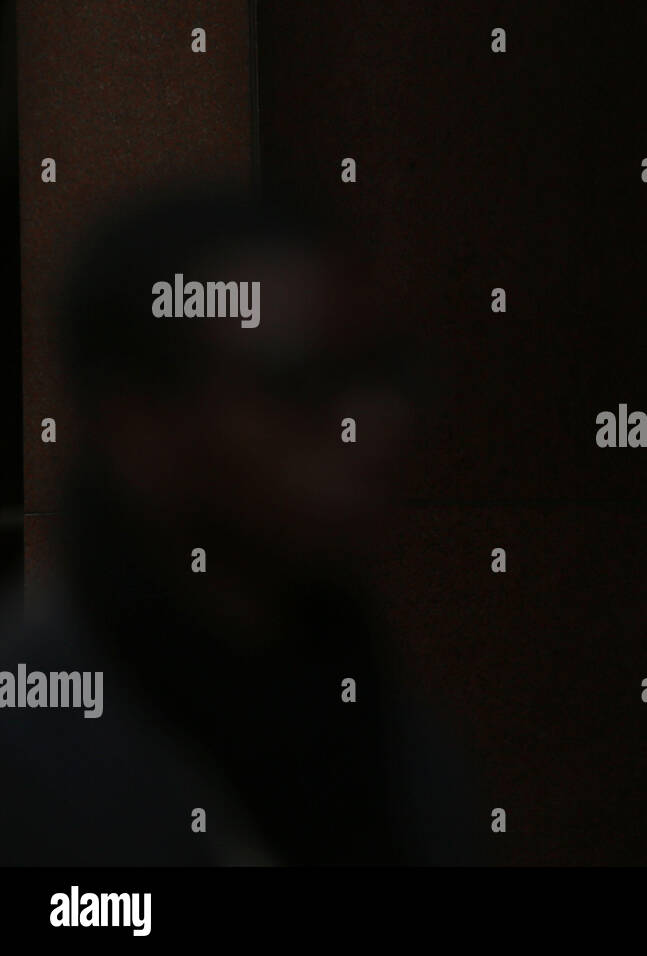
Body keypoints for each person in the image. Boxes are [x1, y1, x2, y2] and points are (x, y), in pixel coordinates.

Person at [0, 180, 485, 865]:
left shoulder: (408, 747)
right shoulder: (31, 747)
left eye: (385, 373)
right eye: (303, 382)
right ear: (136, 423)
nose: (376, 424)